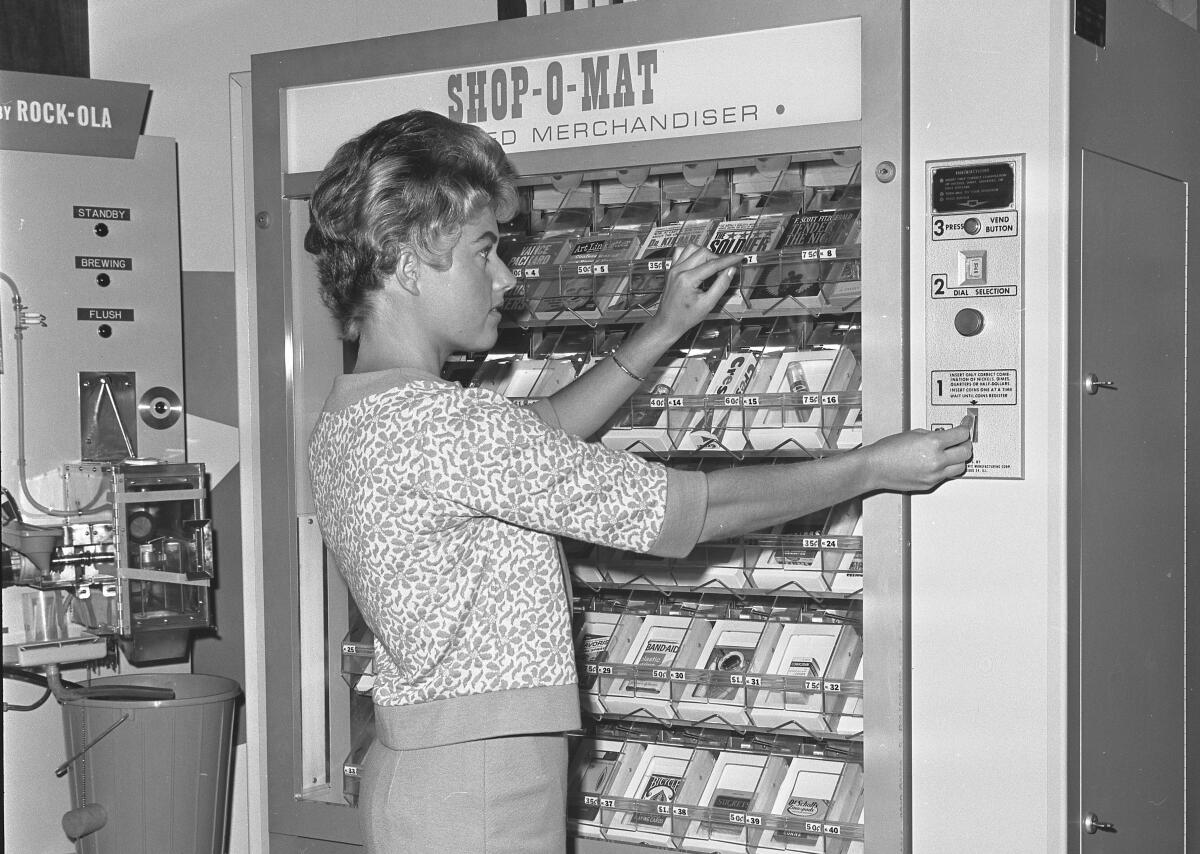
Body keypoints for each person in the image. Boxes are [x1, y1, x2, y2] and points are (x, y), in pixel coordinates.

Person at [304, 109, 972, 854]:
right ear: (404, 259)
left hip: (427, 772)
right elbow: (692, 508)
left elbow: (534, 438)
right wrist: (872, 466)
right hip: (481, 787)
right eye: (483, 250)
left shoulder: (361, 411)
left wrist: (658, 330)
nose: (507, 276)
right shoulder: (438, 423)